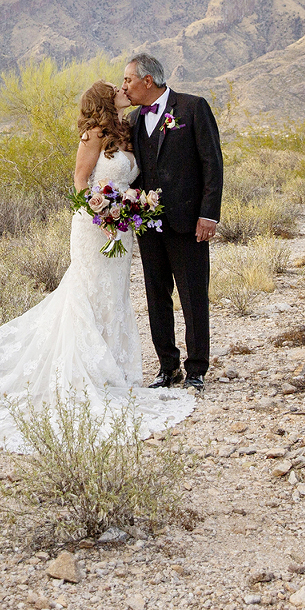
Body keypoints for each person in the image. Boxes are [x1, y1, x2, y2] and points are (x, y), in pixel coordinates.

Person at [0, 81, 196, 451]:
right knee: (87, 291)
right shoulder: (93, 134)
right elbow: (80, 181)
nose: (124, 89)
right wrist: (102, 212)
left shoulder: (127, 131)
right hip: (94, 226)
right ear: (105, 101)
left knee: (114, 295)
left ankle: (114, 372)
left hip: (122, 231)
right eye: (117, 88)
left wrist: (130, 206)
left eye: (126, 84)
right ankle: (83, 373)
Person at [123, 53, 222, 391]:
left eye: (128, 80)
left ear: (147, 80)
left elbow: (212, 163)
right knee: (156, 296)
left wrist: (208, 214)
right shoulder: (135, 119)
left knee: (193, 296)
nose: (125, 86)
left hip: (188, 221)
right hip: (148, 225)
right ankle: (168, 367)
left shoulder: (193, 108)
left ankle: (196, 369)